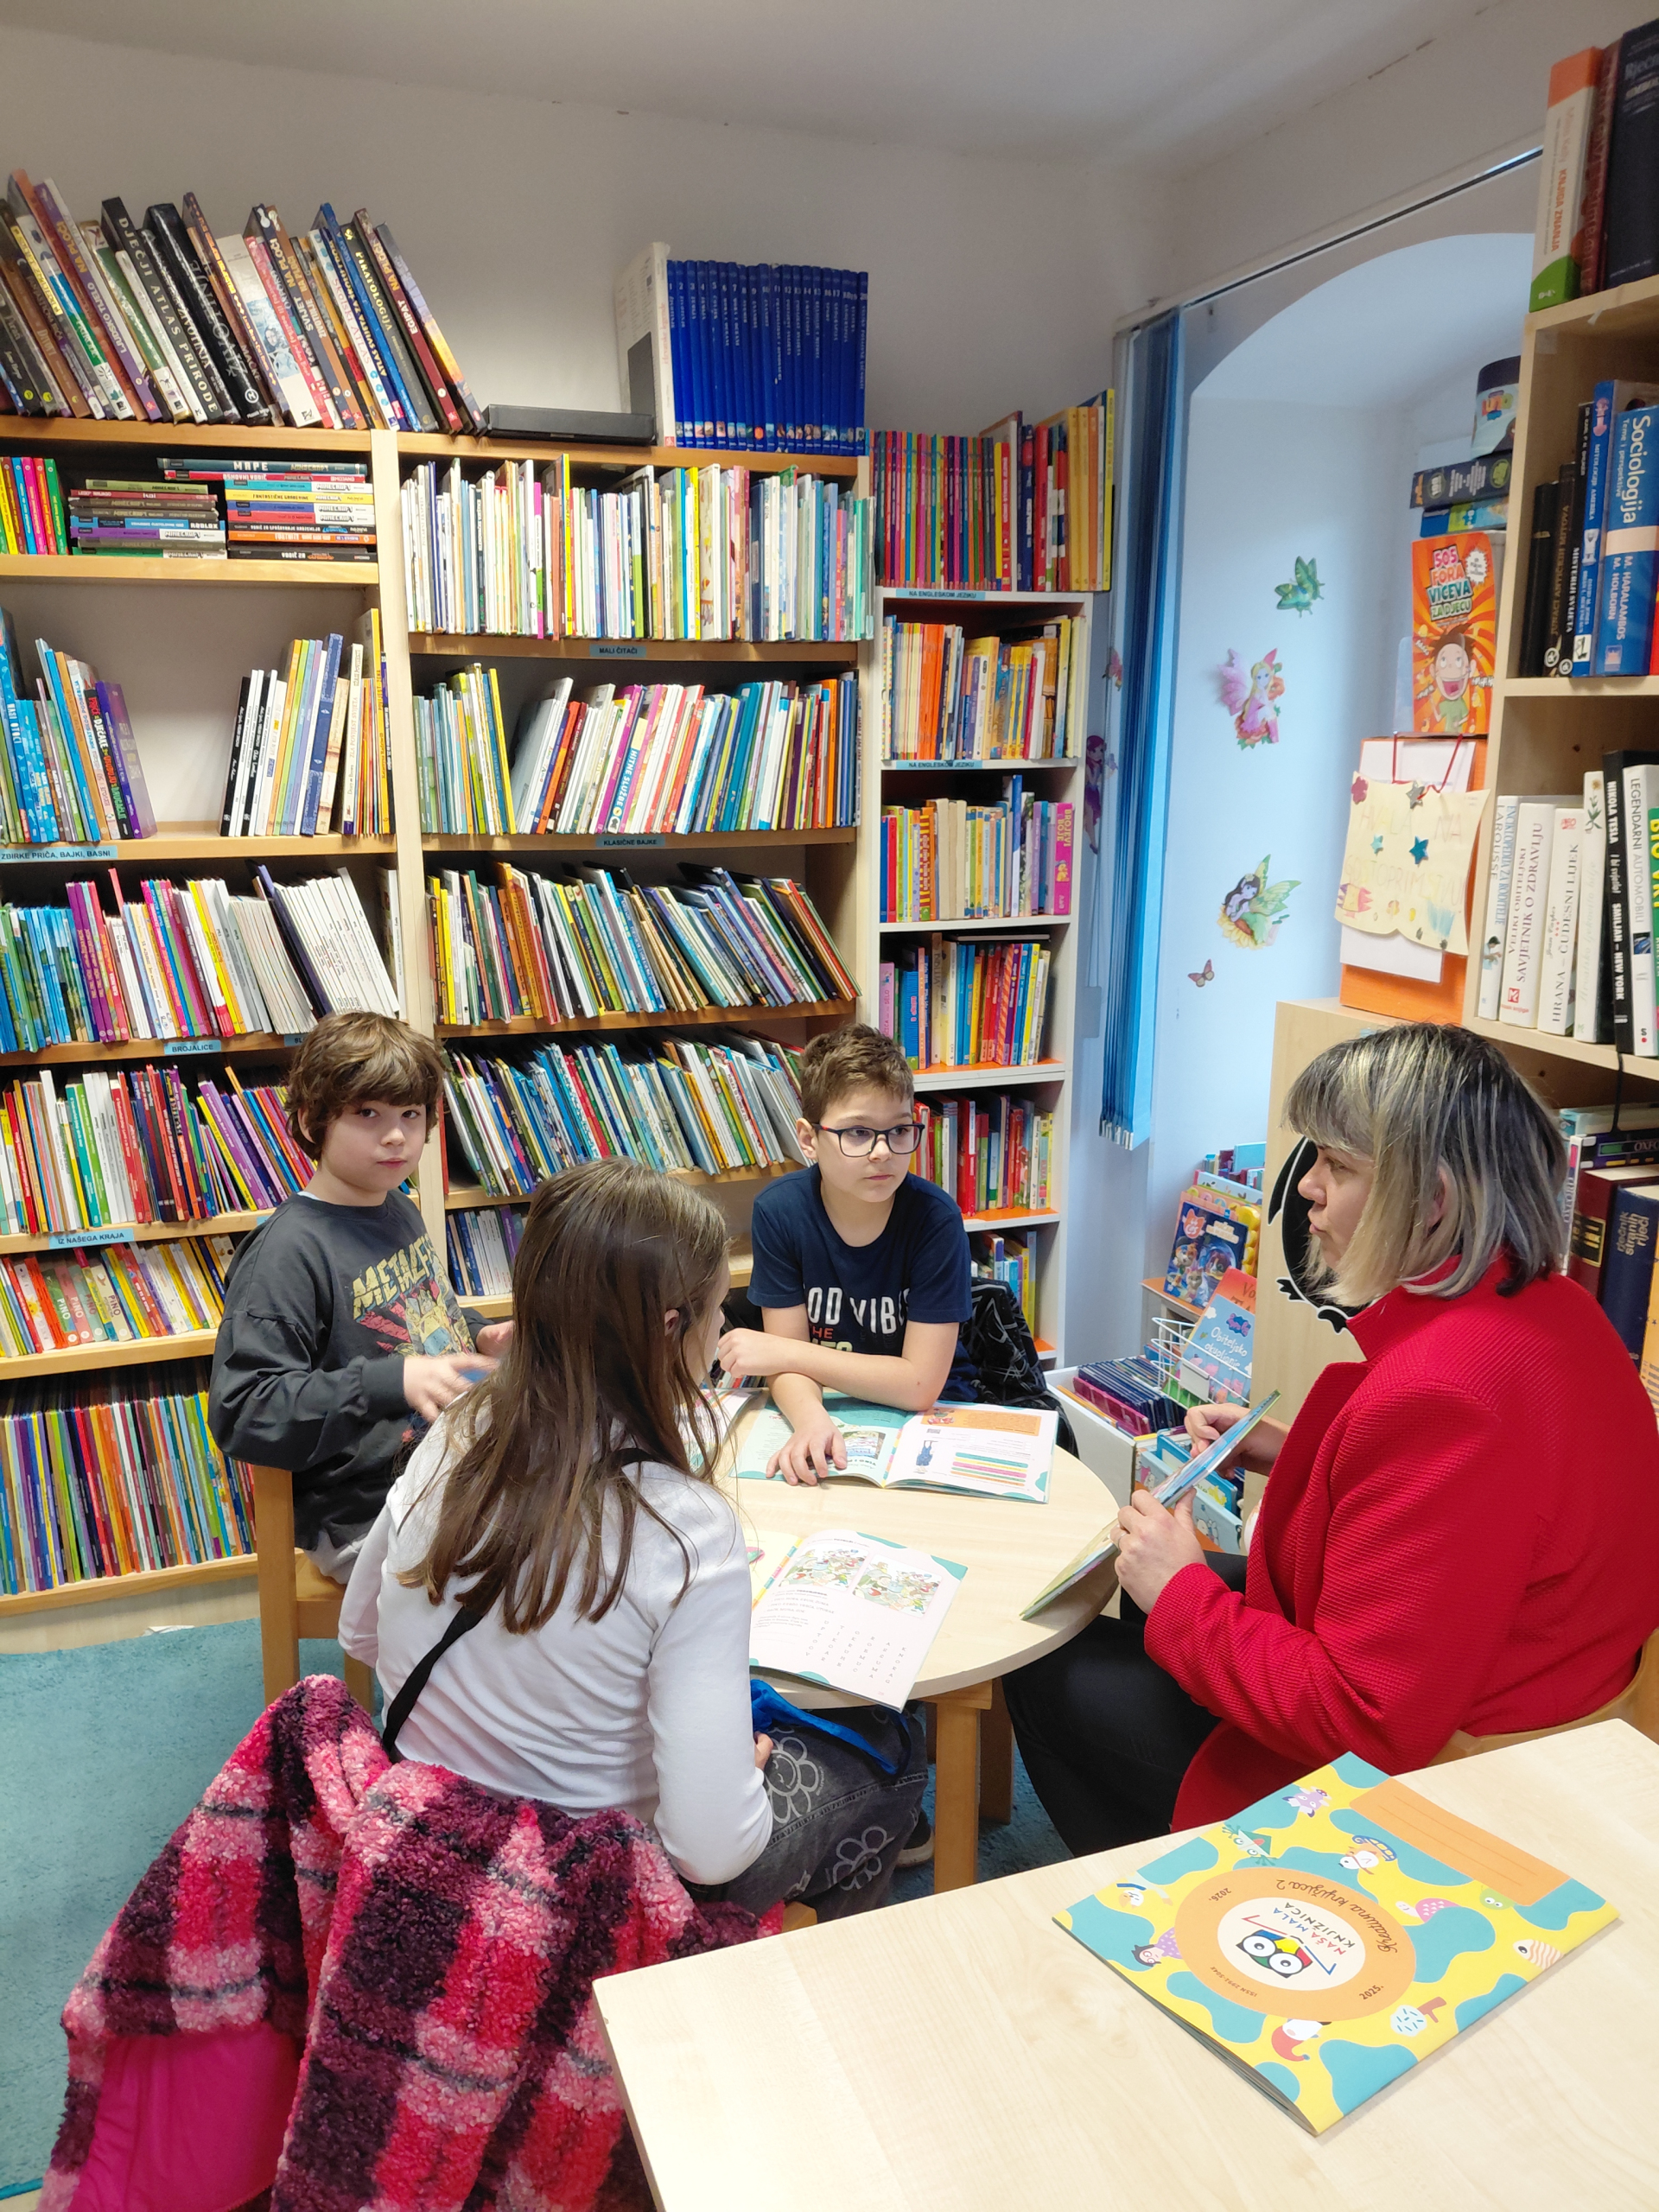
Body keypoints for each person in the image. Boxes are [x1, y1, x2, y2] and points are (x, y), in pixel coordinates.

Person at [1006, 1022, 1659, 1850]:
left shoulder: (1447, 1394)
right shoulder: (1559, 1309)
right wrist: (1299, 1454)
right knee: (1137, 1599)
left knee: (1047, 1661)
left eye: (1338, 1167)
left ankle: (1172, 1884)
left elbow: (1368, 1719)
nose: (1307, 1189)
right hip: (1530, 1694)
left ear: (1430, 1201)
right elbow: (1474, 1518)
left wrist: (1180, 1594)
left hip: (1450, 1781)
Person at [340, 1158, 926, 1917]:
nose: (724, 1329)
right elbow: (711, 1849)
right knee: (890, 1756)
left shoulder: (458, 1427)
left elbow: (360, 1632)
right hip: (581, 1890)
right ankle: (754, 1981)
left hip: (423, 1823)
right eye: (717, 1310)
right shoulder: (686, 1531)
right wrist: (736, 1779)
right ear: (670, 1328)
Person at [209, 1012, 510, 1575]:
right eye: (368, 1113)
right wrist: (392, 1381)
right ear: (312, 1121)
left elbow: (414, 1321)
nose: (396, 1135)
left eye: (410, 1114)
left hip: (447, 1466)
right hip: (367, 1513)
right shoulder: (286, 1252)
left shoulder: (395, 1205)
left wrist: (478, 1335)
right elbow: (246, 1411)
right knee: (541, 1566)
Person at [717, 1023, 975, 1486]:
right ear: (809, 1138)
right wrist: (811, 1419)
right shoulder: (779, 1211)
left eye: (900, 1130)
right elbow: (786, 1367)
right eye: (858, 1132)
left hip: (931, 1416)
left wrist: (786, 1352)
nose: (883, 1152)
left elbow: (919, 1386)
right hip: (822, 1405)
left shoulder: (935, 1219)